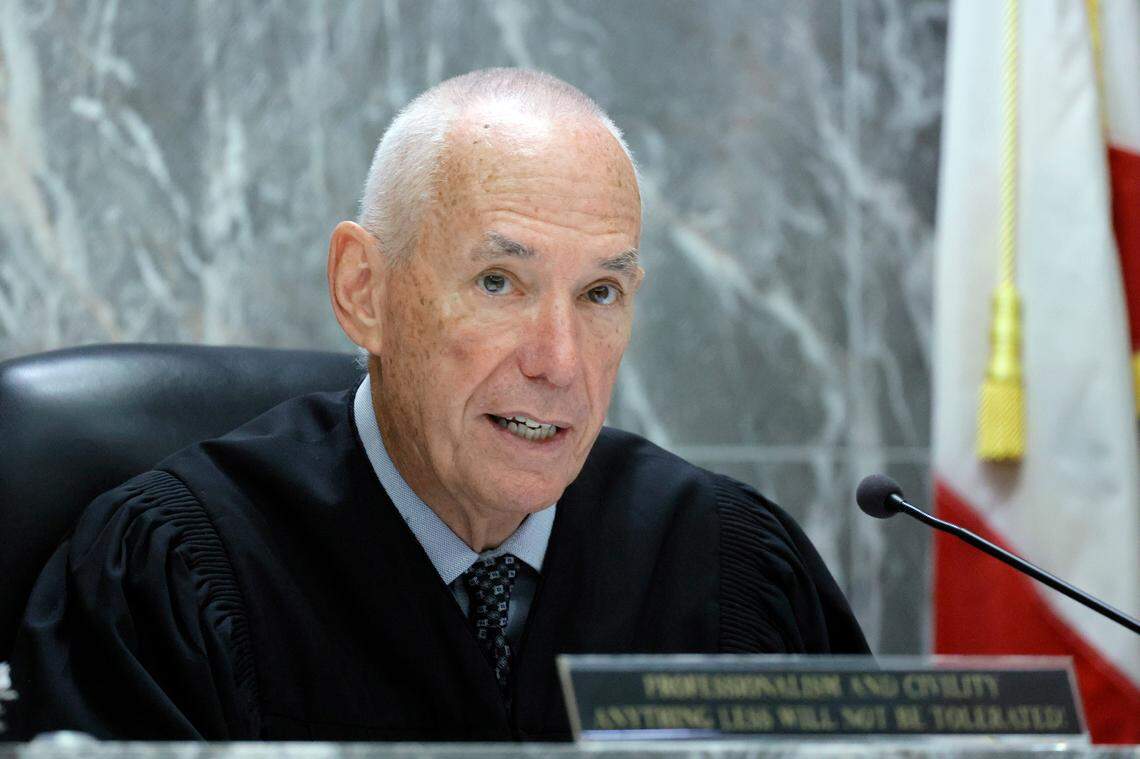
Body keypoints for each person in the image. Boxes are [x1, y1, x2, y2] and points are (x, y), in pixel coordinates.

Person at [8, 68, 868, 741]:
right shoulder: (176, 572)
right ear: (364, 290)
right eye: (500, 282)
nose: (558, 362)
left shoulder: (729, 568)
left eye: (600, 293)